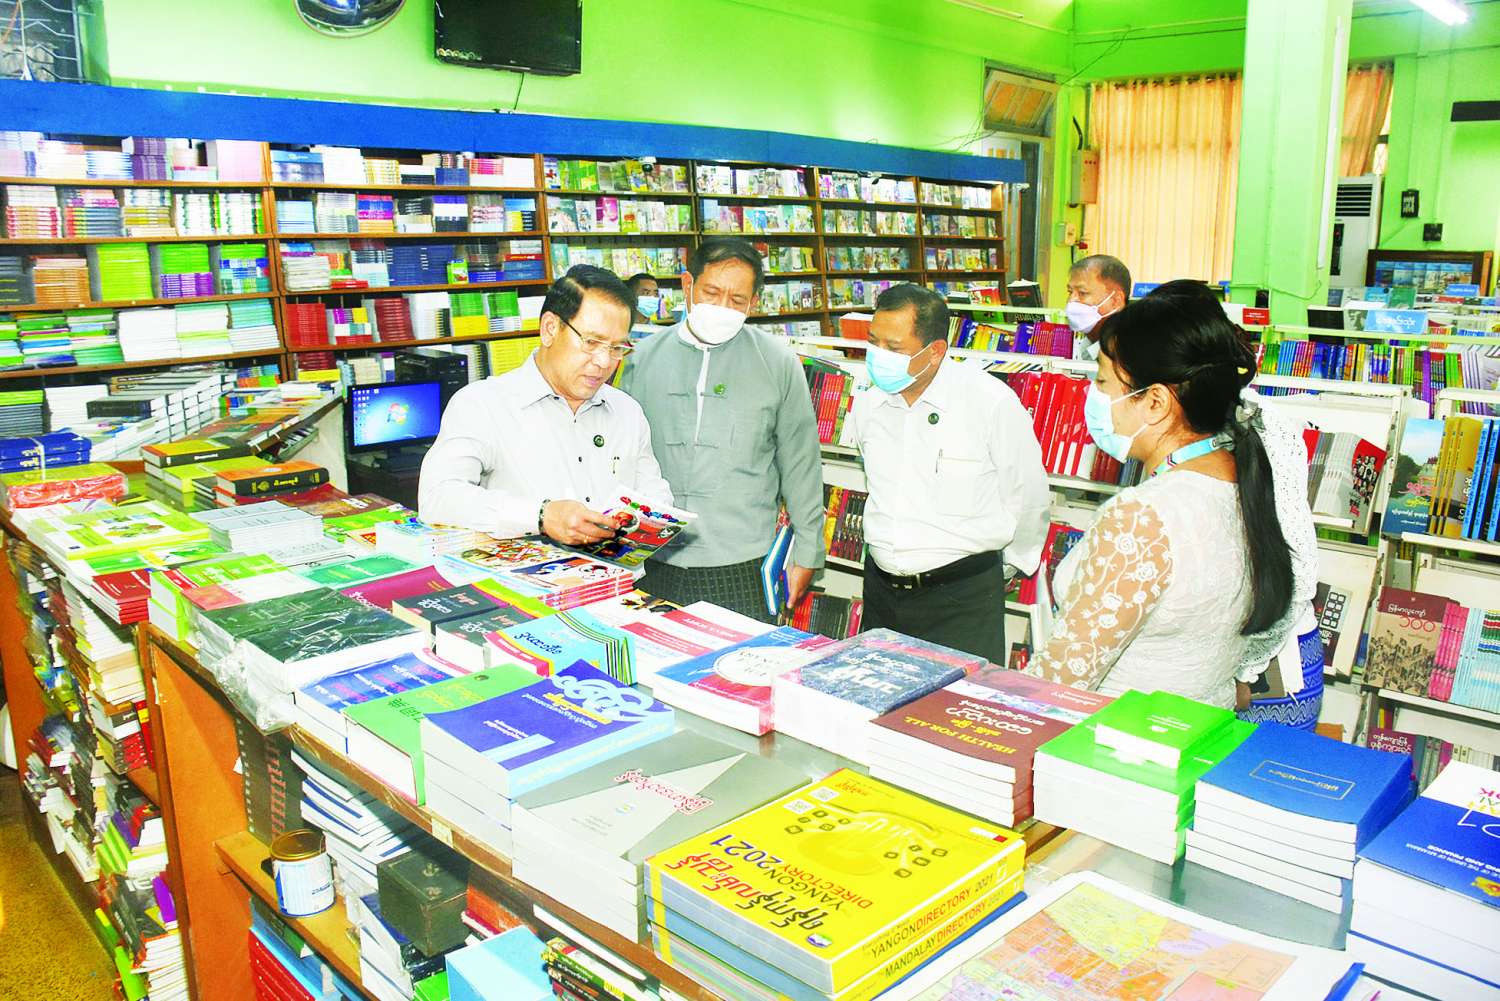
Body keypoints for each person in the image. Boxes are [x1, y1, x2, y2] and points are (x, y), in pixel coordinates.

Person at [1028, 293, 1298, 708]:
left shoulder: (1143, 518)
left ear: (1154, 402)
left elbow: (1060, 680)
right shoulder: (1239, 478)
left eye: (1103, 382)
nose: (1093, 395)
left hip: (1115, 735)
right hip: (1196, 729)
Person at [1146, 280, 1324, 728]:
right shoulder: (1160, 425)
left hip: (1264, 669)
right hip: (1195, 666)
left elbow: (1295, 566)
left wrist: (1244, 669)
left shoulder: (1264, 428)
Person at [621, 236, 824, 622]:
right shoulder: (639, 360)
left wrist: (808, 552)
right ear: (687, 285)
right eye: (712, 293)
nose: (722, 308)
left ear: (754, 303)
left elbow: (801, 464)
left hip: (742, 564)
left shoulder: (778, 363)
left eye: (737, 300)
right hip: (650, 558)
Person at [849, 284, 1050, 663]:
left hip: (961, 598)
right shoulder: (869, 402)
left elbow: (1027, 495)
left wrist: (1010, 565)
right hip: (881, 592)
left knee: (957, 698)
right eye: (873, 342)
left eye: (894, 348)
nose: (878, 356)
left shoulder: (989, 402)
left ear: (935, 351)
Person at [418, 265, 673, 545]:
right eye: (591, 342)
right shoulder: (482, 404)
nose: (604, 362)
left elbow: (654, 493)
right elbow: (438, 497)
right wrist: (540, 516)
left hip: (616, 571)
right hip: (525, 572)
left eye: (616, 348)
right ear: (550, 329)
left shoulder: (627, 411)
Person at [1065, 254, 1130, 355]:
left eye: (1082, 293)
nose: (1071, 300)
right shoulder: (1086, 345)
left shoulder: (1128, 353)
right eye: (1070, 292)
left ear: (1115, 301)